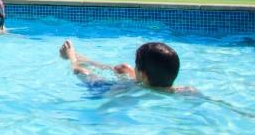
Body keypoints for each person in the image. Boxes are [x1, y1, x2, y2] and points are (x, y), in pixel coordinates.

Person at [59, 40, 193, 93]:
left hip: (123, 90)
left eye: (137, 65)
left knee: (82, 71)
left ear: (143, 74)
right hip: (143, 83)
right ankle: (89, 61)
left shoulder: (125, 90)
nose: (134, 67)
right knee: (124, 67)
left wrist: (72, 59)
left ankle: (73, 59)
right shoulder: (187, 90)